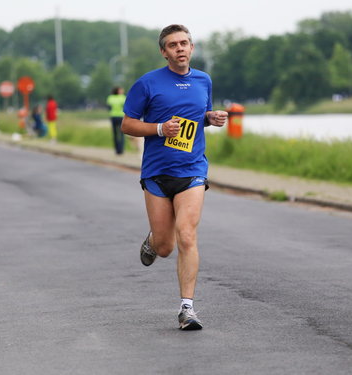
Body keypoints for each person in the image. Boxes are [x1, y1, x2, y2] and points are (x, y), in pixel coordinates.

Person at [122, 24, 228, 330]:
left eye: (184, 43)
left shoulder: (203, 80)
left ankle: (187, 309)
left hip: (192, 169)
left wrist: (211, 118)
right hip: (156, 172)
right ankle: (154, 240)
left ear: (192, 48)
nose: (179, 48)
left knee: (187, 234)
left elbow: (199, 116)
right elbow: (127, 125)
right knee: (166, 246)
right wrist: (158, 129)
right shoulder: (147, 83)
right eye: (173, 45)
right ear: (164, 52)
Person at [106, 87, 126, 155]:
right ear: (118, 91)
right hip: (121, 116)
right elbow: (125, 107)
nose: (123, 91)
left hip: (113, 116)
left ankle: (117, 150)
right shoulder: (123, 97)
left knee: (115, 134)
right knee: (122, 134)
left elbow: (109, 107)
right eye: (121, 90)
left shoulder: (110, 98)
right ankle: (121, 150)